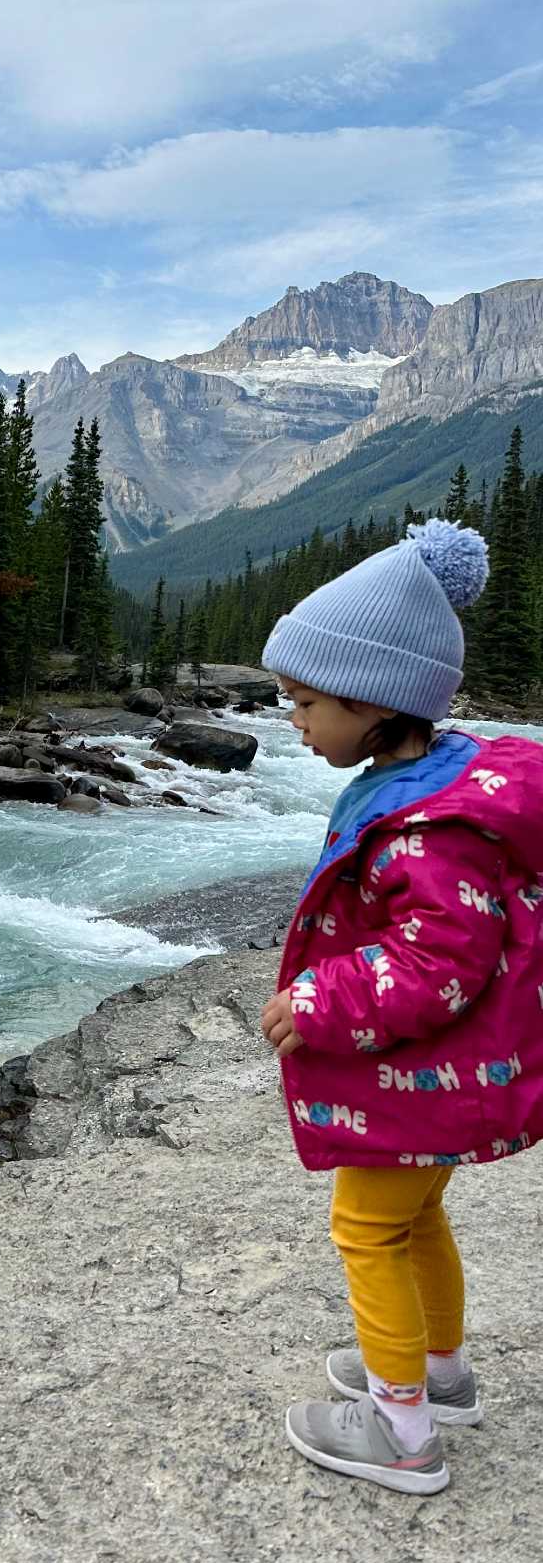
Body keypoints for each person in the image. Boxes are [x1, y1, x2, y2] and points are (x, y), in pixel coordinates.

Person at [257, 517, 543, 1495]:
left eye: (301, 702)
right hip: (444, 1074)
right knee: (415, 1219)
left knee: (366, 1230)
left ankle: (400, 1433)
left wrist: (319, 994)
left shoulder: (427, 828)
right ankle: (440, 1374)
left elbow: (434, 964)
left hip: (418, 1074)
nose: (288, 720)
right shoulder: (425, 776)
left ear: (372, 702)